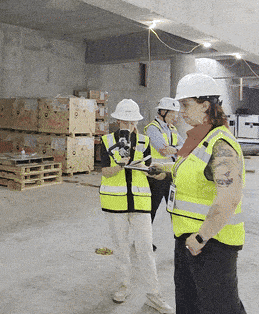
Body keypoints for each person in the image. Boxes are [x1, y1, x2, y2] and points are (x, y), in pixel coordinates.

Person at [167, 73, 246, 314]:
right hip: (188, 238)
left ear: (205, 105)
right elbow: (193, 172)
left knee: (219, 307)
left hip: (212, 243)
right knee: (189, 304)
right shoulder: (200, 138)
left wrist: (201, 237)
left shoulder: (221, 144)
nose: (181, 112)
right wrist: (162, 170)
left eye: (185, 105)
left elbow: (229, 198)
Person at [98, 99, 174, 314]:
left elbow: (149, 169)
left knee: (145, 249)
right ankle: (124, 286)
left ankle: (154, 295)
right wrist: (120, 165)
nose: (129, 125)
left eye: (132, 122)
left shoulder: (143, 141)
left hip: (140, 202)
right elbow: (105, 171)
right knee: (121, 249)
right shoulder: (107, 141)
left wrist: (157, 172)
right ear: (118, 120)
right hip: (115, 203)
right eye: (125, 121)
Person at [144, 97, 184, 225]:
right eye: (172, 114)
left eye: (175, 114)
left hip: (171, 174)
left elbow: (186, 146)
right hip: (156, 174)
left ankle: (179, 236)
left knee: (175, 210)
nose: (175, 117)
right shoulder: (152, 128)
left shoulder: (172, 129)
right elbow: (163, 150)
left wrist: (175, 149)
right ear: (162, 112)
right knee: (151, 209)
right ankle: (145, 236)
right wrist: (176, 149)